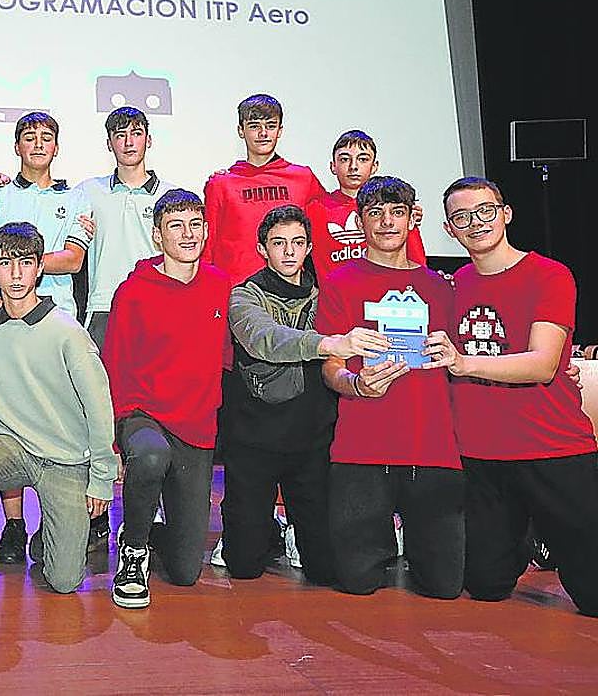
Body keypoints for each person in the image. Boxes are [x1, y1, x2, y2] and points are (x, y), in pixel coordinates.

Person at [424, 176, 598, 616]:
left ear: (505, 214)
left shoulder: (550, 275)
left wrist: (464, 363)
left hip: (552, 448)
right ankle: (528, 537)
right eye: (461, 217)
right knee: (484, 585)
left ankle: (547, 534)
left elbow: (541, 364)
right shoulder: (453, 285)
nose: (475, 223)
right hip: (483, 456)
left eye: (484, 211)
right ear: (449, 229)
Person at [0, 223, 116, 610]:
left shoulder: (68, 332)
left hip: (65, 460)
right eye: (6, 264)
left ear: (38, 270)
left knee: (64, 582)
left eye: (26, 263)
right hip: (10, 447)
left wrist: (101, 481)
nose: (16, 274)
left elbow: (100, 408)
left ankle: (50, 533)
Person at [222, 205, 389, 585]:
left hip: (312, 440)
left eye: (297, 243)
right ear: (262, 248)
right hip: (255, 440)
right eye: (278, 243)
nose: (288, 251)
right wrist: (332, 341)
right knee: (244, 566)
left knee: (326, 570)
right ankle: (269, 532)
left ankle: (297, 534)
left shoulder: (327, 295)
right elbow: (266, 339)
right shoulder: (243, 297)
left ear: (309, 247)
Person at [314, 176, 463, 599]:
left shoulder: (442, 287)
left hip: (431, 446)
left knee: (445, 587)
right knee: (358, 583)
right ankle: (387, 539)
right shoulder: (340, 282)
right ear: (359, 220)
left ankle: (414, 542)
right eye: (375, 213)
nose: (386, 222)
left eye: (396, 212)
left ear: (413, 218)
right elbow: (331, 367)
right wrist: (357, 385)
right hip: (363, 445)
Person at [101, 189, 231, 608]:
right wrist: (117, 441)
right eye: (176, 226)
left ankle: (149, 529)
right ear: (158, 236)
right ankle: (134, 551)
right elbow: (114, 366)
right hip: (145, 416)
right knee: (151, 455)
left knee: (186, 571)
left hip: (196, 425)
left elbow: (227, 359)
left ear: (207, 230)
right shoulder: (134, 291)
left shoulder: (219, 286)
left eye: (195, 224)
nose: (188, 234)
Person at [0, 112, 91, 563]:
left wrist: (18, 263)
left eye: (47, 139)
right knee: (8, 423)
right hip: (5, 325)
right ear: (17, 147)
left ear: (57, 148)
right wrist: (2, 292)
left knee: (58, 420)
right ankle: (15, 525)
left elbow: (75, 259)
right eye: (29, 138)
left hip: (57, 322)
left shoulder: (76, 196)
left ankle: (54, 526)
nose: (38, 145)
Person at [66, 106, 178, 550]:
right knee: (97, 417)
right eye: (119, 134)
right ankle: (96, 516)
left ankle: (149, 515)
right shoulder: (87, 192)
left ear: (148, 139)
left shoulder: (172, 194)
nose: (129, 141)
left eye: (137, 133)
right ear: (109, 143)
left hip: (162, 315)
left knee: (154, 416)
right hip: (103, 313)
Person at [202, 93, 326, 286]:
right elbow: (207, 246)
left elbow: (325, 235)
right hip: (236, 292)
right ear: (241, 130)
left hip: (291, 293)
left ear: (280, 130)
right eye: (254, 126)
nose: (263, 134)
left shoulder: (303, 178)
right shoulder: (221, 184)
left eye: (270, 126)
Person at [306, 130, 426, 280]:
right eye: (344, 159)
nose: (353, 166)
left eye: (363, 159)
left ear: (374, 166)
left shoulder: (395, 209)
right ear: (333, 166)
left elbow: (417, 264)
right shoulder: (314, 209)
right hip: (338, 299)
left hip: (386, 298)